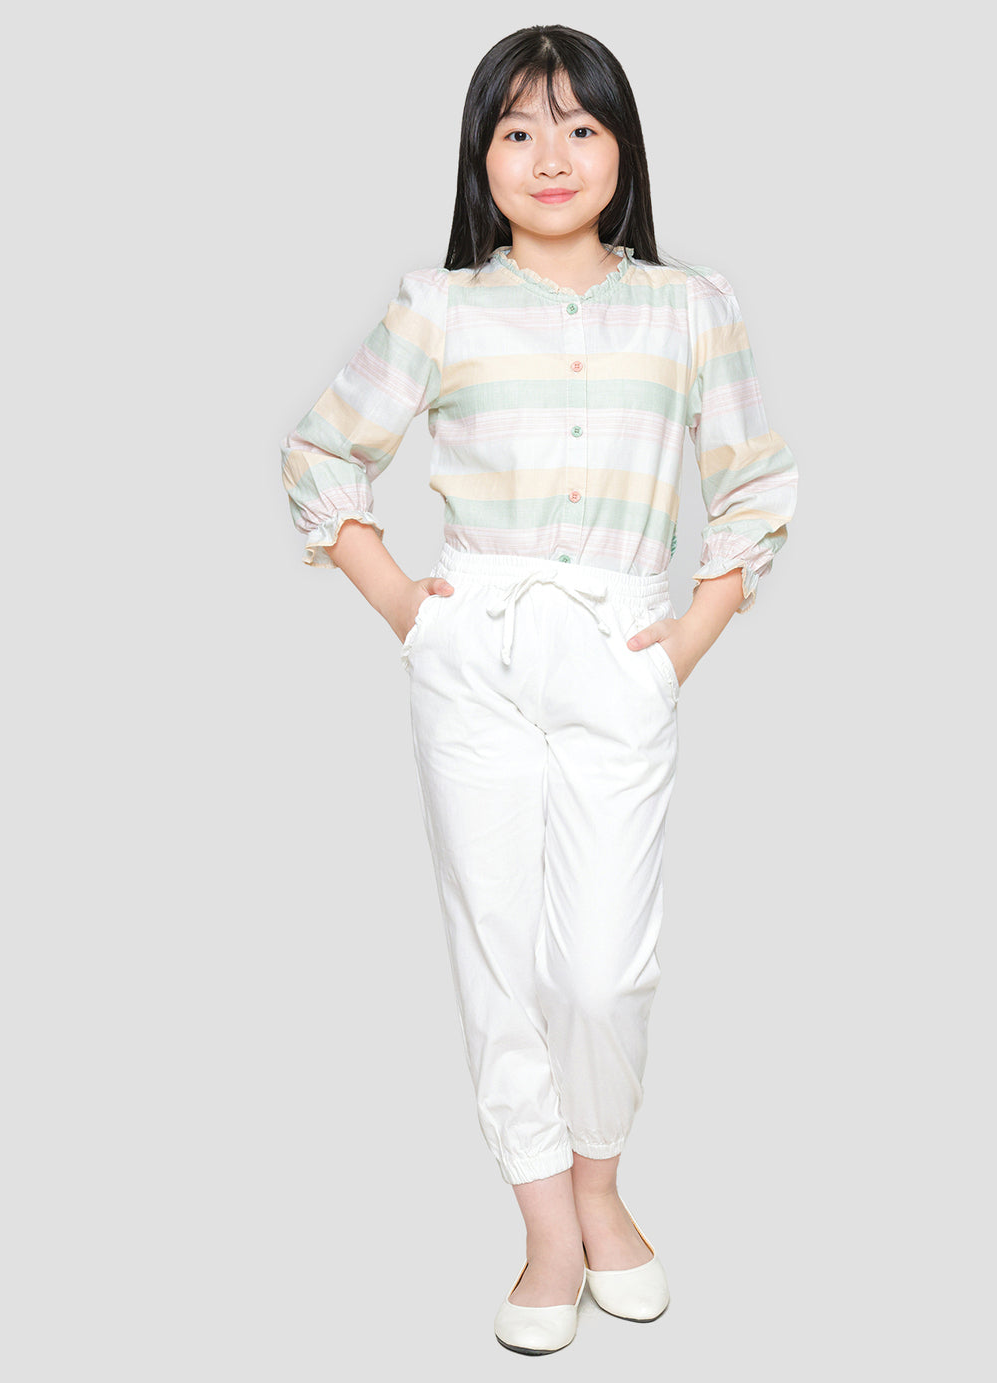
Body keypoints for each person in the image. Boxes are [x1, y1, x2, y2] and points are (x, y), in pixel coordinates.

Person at [279, 24, 798, 1355]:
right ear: (481, 157)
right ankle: (550, 1227)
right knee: (497, 949)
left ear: (623, 149)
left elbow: (753, 485)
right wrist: (408, 609)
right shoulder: (438, 306)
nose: (549, 154)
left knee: (603, 968)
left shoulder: (691, 307)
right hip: (479, 651)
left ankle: (602, 1182)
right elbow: (323, 454)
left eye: (579, 125)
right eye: (517, 129)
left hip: (622, 645)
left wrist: (684, 640)